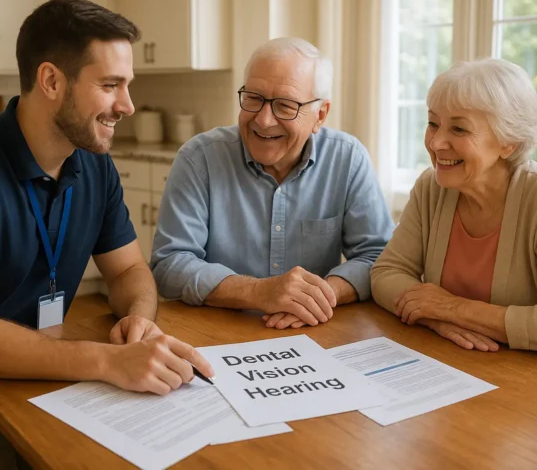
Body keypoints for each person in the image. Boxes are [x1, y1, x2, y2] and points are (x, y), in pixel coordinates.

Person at [0, 0, 213, 470]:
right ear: (51, 81)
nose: (128, 105)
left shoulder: (95, 166)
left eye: (127, 85)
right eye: (110, 85)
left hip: (46, 366)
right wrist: (107, 361)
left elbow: (129, 270)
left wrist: (139, 320)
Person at [371, 58, 537, 357]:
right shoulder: (431, 187)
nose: (436, 143)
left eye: (459, 129)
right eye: (433, 124)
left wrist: (454, 309)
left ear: (508, 142)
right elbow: (386, 273)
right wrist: (434, 318)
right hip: (475, 363)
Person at [150, 37, 395, 329]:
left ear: (320, 115)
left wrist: (315, 297)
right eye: (253, 98)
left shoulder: (348, 158)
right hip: (217, 332)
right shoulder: (199, 158)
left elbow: (378, 257)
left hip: (311, 330)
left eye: (285, 106)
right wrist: (258, 292)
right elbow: (170, 264)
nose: (264, 120)